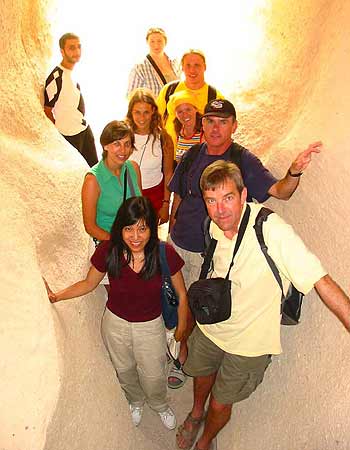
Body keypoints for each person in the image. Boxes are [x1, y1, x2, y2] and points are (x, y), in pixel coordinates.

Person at [176, 160, 350, 450]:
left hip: (250, 343)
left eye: (228, 198)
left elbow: (320, 279)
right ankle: (195, 414)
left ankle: (205, 439)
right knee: (201, 374)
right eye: (212, 201)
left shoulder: (270, 230)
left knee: (220, 403)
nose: (220, 210)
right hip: (213, 327)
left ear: (244, 196)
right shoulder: (214, 227)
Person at [167, 98, 322, 389]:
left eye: (223, 122)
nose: (215, 128)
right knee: (180, 302)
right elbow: (178, 193)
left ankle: (188, 351)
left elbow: (279, 191)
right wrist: (172, 226)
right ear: (203, 125)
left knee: (203, 304)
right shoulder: (192, 155)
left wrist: (295, 172)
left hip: (212, 254)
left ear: (234, 126)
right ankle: (179, 351)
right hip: (180, 244)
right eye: (210, 121)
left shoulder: (241, 160)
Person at [45, 196, 189, 429]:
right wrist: (57, 296)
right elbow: (88, 283)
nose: (135, 236)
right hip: (115, 324)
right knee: (124, 369)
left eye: (142, 229)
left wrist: (182, 325)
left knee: (153, 374)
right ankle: (135, 401)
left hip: (150, 326)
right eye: (128, 228)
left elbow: (182, 294)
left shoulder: (164, 252)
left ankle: (159, 404)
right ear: (119, 229)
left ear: (151, 228)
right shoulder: (108, 250)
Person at [44, 33, 98, 167]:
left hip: (83, 129)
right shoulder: (56, 77)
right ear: (62, 51)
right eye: (72, 48)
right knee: (77, 175)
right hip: (69, 136)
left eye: (79, 47)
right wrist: (59, 136)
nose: (77, 51)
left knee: (95, 171)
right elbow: (47, 109)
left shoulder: (74, 72)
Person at [81, 120, 141, 242]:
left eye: (127, 144)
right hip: (108, 241)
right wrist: (119, 243)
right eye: (117, 144)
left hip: (134, 239)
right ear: (105, 145)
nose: (123, 150)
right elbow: (90, 227)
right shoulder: (93, 180)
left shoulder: (133, 168)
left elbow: (140, 209)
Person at [157, 49, 224, 150]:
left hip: (202, 159)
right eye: (188, 65)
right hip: (169, 158)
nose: (192, 70)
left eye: (197, 65)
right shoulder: (169, 90)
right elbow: (155, 121)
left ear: (204, 67)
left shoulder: (215, 96)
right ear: (182, 68)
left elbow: (222, 132)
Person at [126, 88, 174, 225]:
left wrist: (165, 204)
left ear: (153, 111)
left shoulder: (164, 138)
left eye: (146, 112)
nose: (142, 118)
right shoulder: (123, 135)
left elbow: (168, 173)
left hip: (154, 195)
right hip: (127, 194)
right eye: (137, 112)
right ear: (131, 112)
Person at [127, 27, 180, 98]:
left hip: (176, 107)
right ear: (147, 42)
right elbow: (131, 96)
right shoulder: (140, 67)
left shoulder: (175, 63)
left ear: (165, 42)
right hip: (154, 108)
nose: (156, 45)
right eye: (152, 41)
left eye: (159, 41)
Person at [167, 90, 204, 164]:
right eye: (180, 112)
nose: (185, 114)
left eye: (188, 109)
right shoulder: (178, 133)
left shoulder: (205, 132)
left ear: (196, 109)